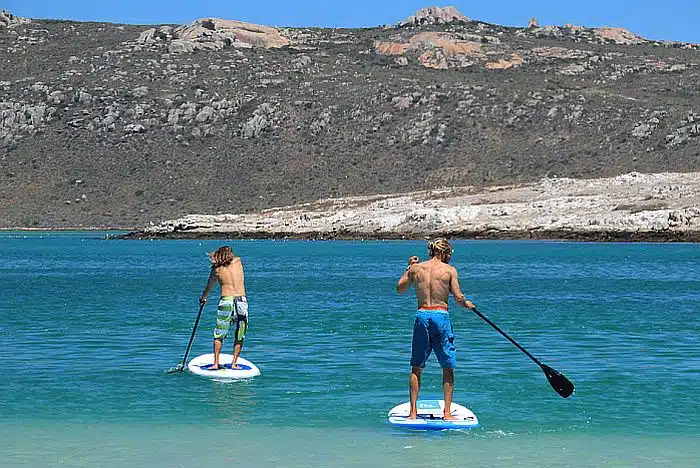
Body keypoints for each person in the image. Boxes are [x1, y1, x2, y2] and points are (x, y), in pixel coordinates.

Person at [396, 238, 475, 420]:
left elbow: (400, 288)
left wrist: (409, 267)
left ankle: (413, 413)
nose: (450, 257)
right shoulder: (449, 271)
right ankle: (447, 413)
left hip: (422, 315)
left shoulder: (416, 269)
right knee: (447, 366)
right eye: (449, 254)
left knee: (416, 367)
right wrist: (467, 304)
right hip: (440, 316)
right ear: (443, 252)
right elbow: (457, 297)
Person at [200, 245, 249, 370]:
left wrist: (203, 298)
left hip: (226, 301)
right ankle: (234, 363)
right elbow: (230, 258)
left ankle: (216, 363)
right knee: (240, 333)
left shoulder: (216, 269)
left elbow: (209, 286)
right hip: (241, 300)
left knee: (219, 333)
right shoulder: (238, 262)